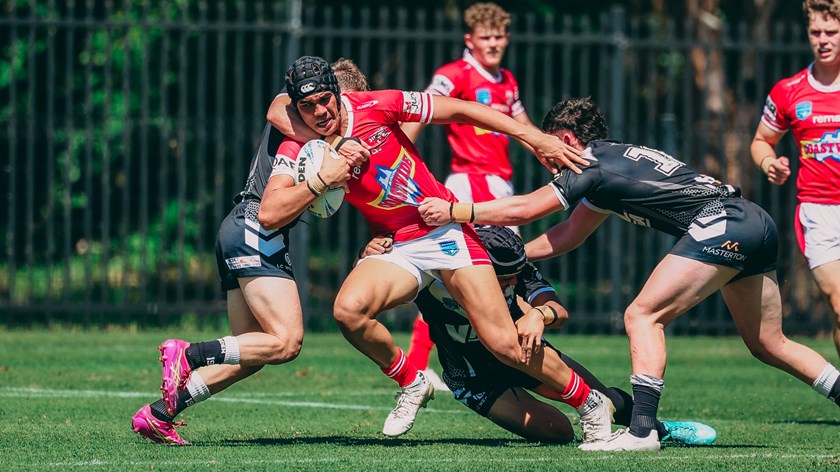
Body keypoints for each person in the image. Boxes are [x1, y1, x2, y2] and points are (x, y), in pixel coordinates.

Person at [419, 97, 840, 451]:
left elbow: (527, 208)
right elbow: (566, 235)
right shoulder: (609, 163)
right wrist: (501, 258)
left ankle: (641, 431)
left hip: (722, 221)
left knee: (642, 315)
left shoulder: (589, 164)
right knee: (768, 343)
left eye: (545, 146)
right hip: (754, 221)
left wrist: (459, 211)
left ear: (565, 139)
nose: (544, 157)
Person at [264, 55, 621, 442]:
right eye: (307, 105)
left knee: (502, 342)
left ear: (337, 93)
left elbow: (463, 110)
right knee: (348, 311)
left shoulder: (377, 104)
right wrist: (323, 174)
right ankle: (411, 380)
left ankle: (590, 402)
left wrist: (533, 137)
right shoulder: (300, 141)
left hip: (442, 228)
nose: (319, 111)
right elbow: (270, 201)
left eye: (324, 100)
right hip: (398, 243)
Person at [130, 59, 368, 445]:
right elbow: (276, 110)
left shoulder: (317, 134)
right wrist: (329, 164)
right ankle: (188, 354)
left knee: (251, 353)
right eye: (351, 105)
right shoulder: (300, 123)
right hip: (257, 228)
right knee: (287, 341)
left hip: (241, 227)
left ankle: (159, 414)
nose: (349, 118)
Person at [361, 225, 718, 445]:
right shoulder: (434, 267)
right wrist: (372, 255)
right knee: (558, 432)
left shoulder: (515, 268)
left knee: (606, 401)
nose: (513, 282)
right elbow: (376, 289)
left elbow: (558, 310)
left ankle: (659, 429)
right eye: (504, 278)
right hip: (473, 376)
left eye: (515, 275)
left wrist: (538, 314)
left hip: (525, 354)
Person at [400, 2, 535, 392]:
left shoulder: (506, 81)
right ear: (469, 40)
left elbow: (523, 127)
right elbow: (420, 111)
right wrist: (398, 157)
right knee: (475, 277)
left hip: (498, 185)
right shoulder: (454, 74)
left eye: (499, 36)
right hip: (471, 184)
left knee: (481, 278)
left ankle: (481, 356)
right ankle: (436, 363)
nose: (493, 43)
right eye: (485, 37)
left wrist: (552, 154)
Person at [750, 0, 840, 360]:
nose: (823, 40)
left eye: (831, 32)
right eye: (815, 32)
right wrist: (769, 163)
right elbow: (761, 140)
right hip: (818, 212)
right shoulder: (789, 91)